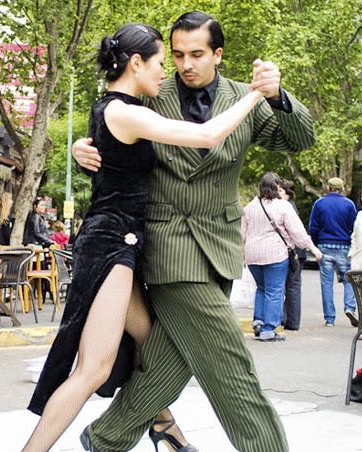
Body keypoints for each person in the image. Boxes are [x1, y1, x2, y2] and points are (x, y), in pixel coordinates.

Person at [70, 12, 315, 452]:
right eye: (177, 54)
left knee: (172, 358)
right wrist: (79, 149)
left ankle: (106, 437)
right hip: (167, 245)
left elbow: (300, 139)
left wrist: (278, 96)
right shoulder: (149, 91)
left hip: (220, 245)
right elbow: (110, 131)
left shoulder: (247, 97)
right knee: (228, 363)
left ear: (218, 55)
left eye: (197, 54)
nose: (185, 64)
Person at [24, 20, 271, 452]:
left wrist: (80, 152)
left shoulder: (113, 109)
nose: (167, 72)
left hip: (124, 243)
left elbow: (112, 161)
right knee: (92, 370)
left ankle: (162, 425)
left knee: (152, 340)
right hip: (111, 245)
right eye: (161, 62)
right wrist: (254, 93)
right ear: (136, 63)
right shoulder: (126, 110)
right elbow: (207, 135)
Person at [242, 173, 321, 342]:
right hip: (275, 254)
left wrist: (242, 252)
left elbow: (242, 233)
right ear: (276, 187)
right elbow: (297, 232)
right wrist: (313, 248)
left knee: (261, 288)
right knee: (274, 291)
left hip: (252, 254)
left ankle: (258, 321)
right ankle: (269, 329)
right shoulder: (283, 206)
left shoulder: (250, 206)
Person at [309, 176, 358, 327]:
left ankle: (330, 318)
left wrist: (316, 244)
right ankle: (349, 307)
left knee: (326, 283)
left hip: (324, 245)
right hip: (344, 246)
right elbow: (354, 227)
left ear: (328, 188)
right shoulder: (349, 204)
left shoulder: (319, 204)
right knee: (348, 279)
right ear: (342, 188)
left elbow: (313, 227)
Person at [279, 179, 307, 330]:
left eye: (281, 191)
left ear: (288, 194)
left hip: (292, 251)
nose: (278, 194)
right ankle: (292, 321)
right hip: (298, 251)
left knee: (288, 286)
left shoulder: (286, 207)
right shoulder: (291, 206)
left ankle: (285, 318)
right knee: (293, 286)